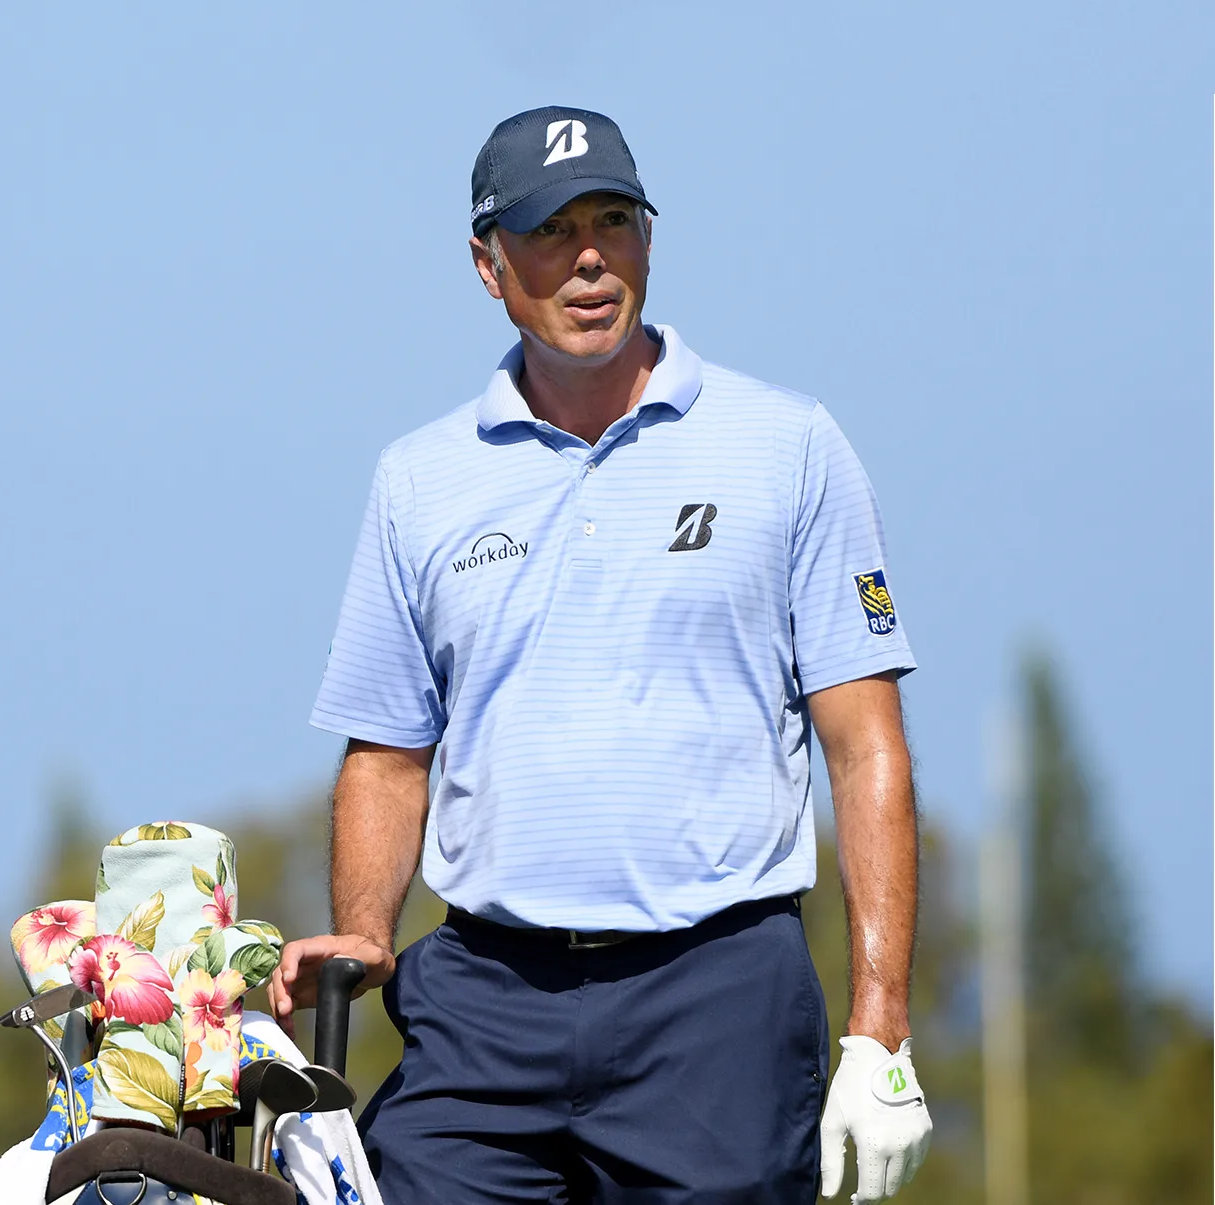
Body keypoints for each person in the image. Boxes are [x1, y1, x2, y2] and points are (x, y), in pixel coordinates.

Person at [269, 108, 932, 1203]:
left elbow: (864, 748)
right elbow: (388, 754)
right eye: (548, 229)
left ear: (647, 239)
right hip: (483, 999)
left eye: (612, 220)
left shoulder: (788, 445)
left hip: (714, 1000)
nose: (588, 256)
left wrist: (880, 1020)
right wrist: (363, 931)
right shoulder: (418, 479)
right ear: (486, 265)